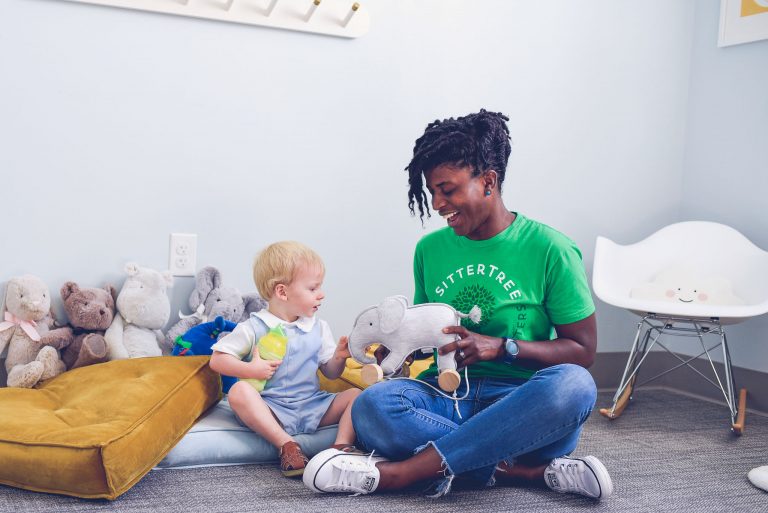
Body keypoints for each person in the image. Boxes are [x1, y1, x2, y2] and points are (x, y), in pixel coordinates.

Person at [302, 110, 613, 499]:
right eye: (432, 192)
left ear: (488, 181)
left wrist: (501, 347)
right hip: (448, 400)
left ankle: (399, 474)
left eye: (447, 190)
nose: (436, 203)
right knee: (372, 406)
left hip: (521, 405)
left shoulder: (551, 249)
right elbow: (424, 333)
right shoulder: (429, 250)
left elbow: (583, 352)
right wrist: (398, 351)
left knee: (575, 386)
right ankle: (524, 472)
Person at [209, 241, 360, 477]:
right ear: (282, 292)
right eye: (312, 289)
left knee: (357, 396)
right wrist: (252, 370)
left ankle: (340, 448)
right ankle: (287, 445)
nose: (321, 294)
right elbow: (217, 361)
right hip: (271, 409)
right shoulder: (254, 327)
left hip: (312, 405)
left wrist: (339, 357)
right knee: (239, 392)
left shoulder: (319, 327)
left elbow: (331, 373)